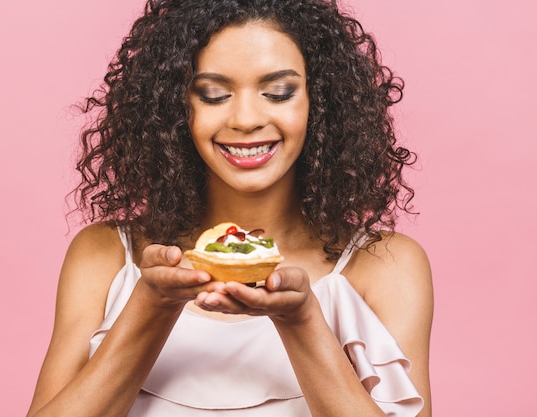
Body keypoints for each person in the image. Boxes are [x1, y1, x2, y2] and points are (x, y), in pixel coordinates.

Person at [26, 0, 434, 415]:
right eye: (214, 95)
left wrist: (302, 321)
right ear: (175, 108)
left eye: (278, 92)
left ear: (321, 101)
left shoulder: (385, 266)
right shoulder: (106, 254)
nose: (245, 119)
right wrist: (152, 305)